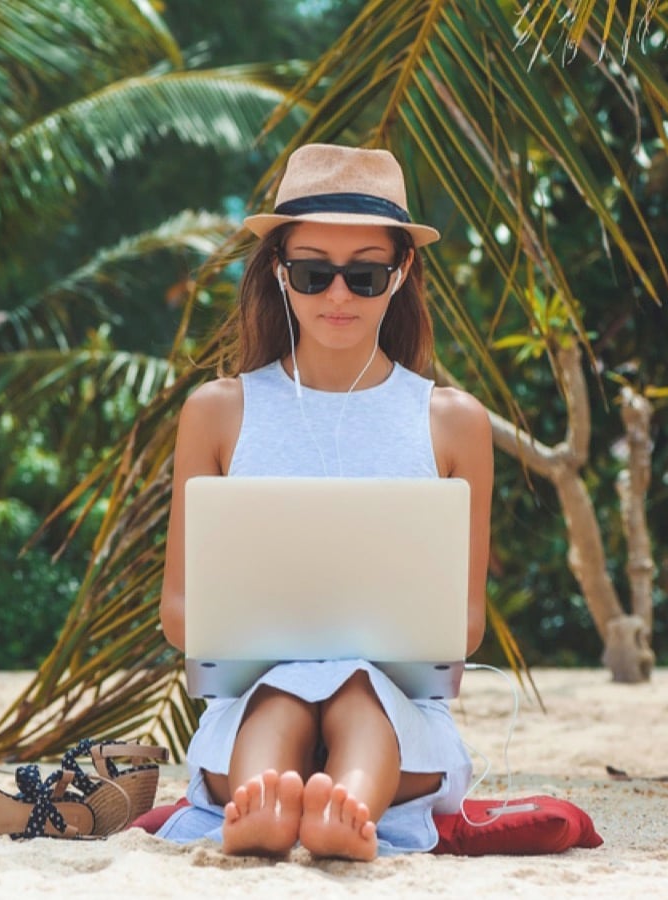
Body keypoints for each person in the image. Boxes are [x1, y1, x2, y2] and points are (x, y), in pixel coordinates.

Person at [157, 144, 493, 860]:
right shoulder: (217, 412)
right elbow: (180, 611)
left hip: (400, 716)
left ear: (401, 273)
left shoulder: (454, 421)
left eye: (363, 275)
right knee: (280, 694)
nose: (338, 296)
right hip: (252, 705)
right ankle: (267, 805)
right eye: (314, 273)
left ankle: (348, 808)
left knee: (360, 692)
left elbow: (463, 625)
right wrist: (288, 646)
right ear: (280, 272)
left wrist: (341, 650)